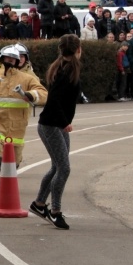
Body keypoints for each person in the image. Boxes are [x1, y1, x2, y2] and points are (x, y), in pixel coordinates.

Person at [0, 45, 47, 194]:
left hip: (17, 125)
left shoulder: (27, 78)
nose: (12, 61)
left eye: (15, 59)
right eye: (8, 58)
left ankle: (6, 185)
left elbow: (43, 93)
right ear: (1, 58)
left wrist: (31, 95)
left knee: (14, 161)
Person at [28, 35, 82, 230]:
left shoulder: (69, 67)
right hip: (51, 125)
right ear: (78, 49)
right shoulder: (64, 71)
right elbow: (54, 101)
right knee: (64, 168)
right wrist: (65, 122)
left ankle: (39, 203)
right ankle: (55, 211)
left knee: (57, 166)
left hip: (56, 124)